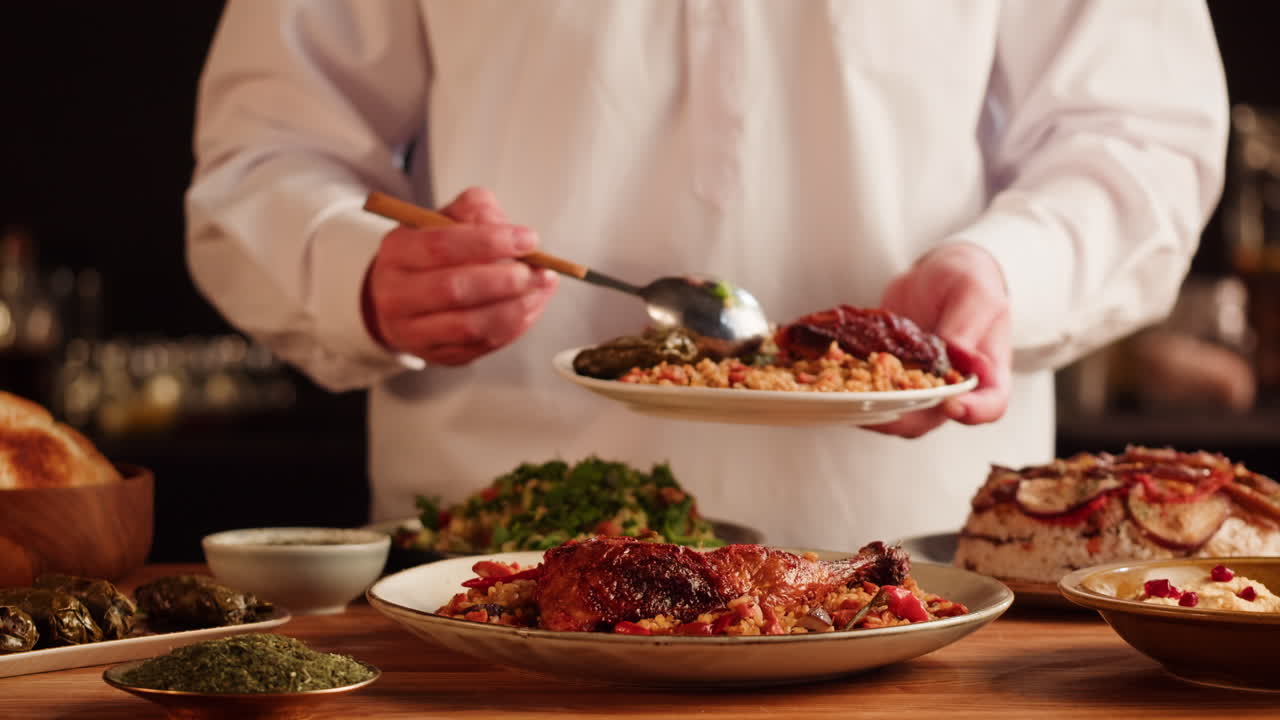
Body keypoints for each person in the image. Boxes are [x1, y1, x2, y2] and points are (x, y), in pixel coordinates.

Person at [186, 1, 1228, 550]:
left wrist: (1003, 267)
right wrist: (358, 274)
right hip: (483, 561)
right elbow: (267, 152)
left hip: (917, 554)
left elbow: (1135, 133)